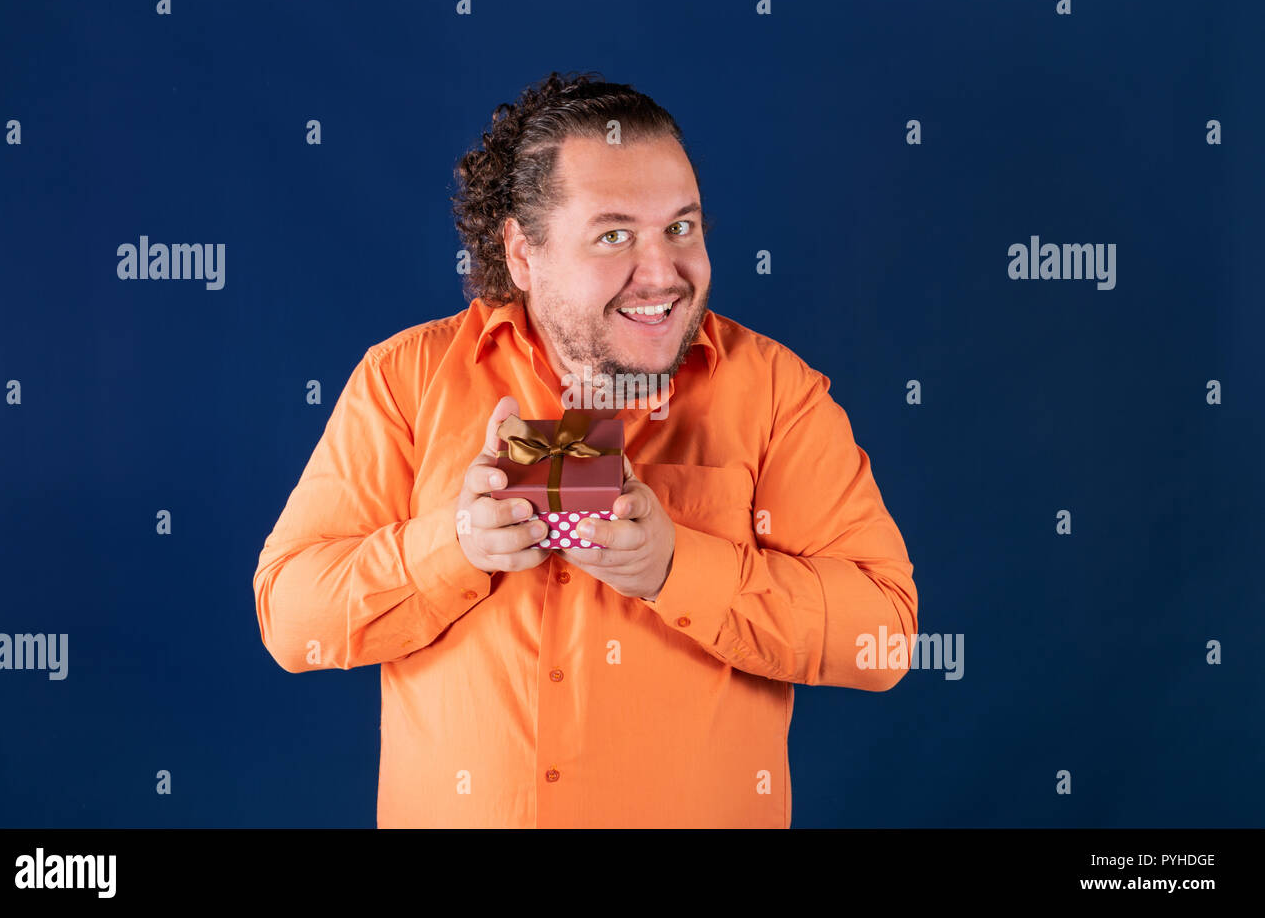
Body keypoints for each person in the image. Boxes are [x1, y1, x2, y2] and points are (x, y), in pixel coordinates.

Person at [253, 70, 918, 828]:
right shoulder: (403, 381)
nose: (663, 273)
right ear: (523, 252)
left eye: (682, 227)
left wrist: (678, 566)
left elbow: (885, 635)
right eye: (613, 235)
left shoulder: (778, 394)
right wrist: (452, 547)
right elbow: (290, 617)